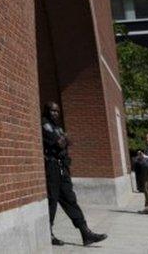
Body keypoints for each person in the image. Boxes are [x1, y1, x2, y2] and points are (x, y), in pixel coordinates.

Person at [42, 102, 107, 246]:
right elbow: (60, 143)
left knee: (70, 199)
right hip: (51, 167)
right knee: (52, 201)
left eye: (57, 111)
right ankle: (48, 234)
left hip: (62, 167)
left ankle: (85, 232)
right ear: (47, 111)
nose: (55, 114)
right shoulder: (45, 125)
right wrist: (64, 139)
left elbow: (68, 141)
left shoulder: (58, 128)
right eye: (52, 111)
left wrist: (64, 139)